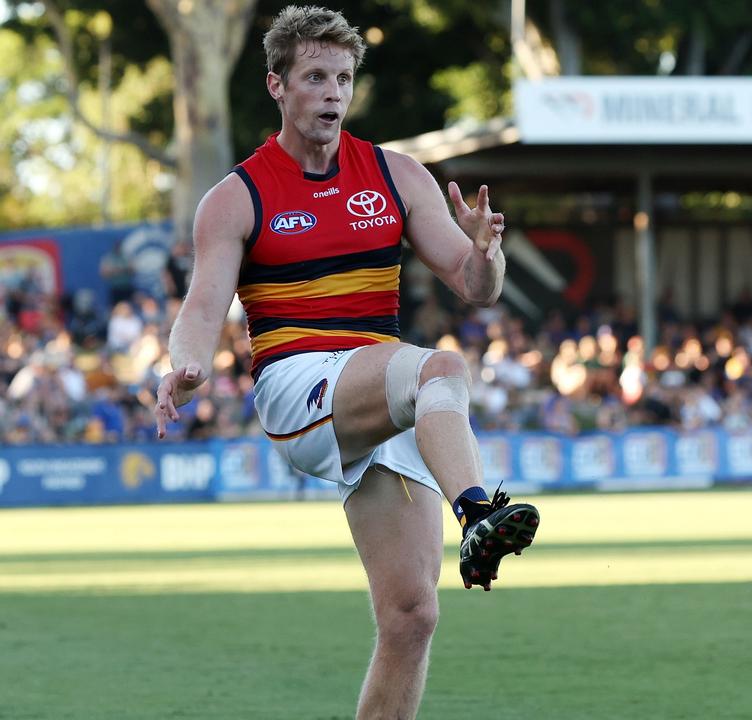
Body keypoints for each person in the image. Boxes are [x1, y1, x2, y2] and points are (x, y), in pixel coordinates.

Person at [152, 6, 539, 717]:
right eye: (315, 77)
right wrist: (182, 366)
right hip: (299, 386)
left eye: (344, 78)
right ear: (277, 85)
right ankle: (481, 511)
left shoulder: (396, 175)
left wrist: (487, 252)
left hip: (381, 393)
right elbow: (204, 306)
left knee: (412, 617)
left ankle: (473, 521)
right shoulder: (236, 196)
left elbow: (475, 288)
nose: (333, 93)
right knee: (441, 370)